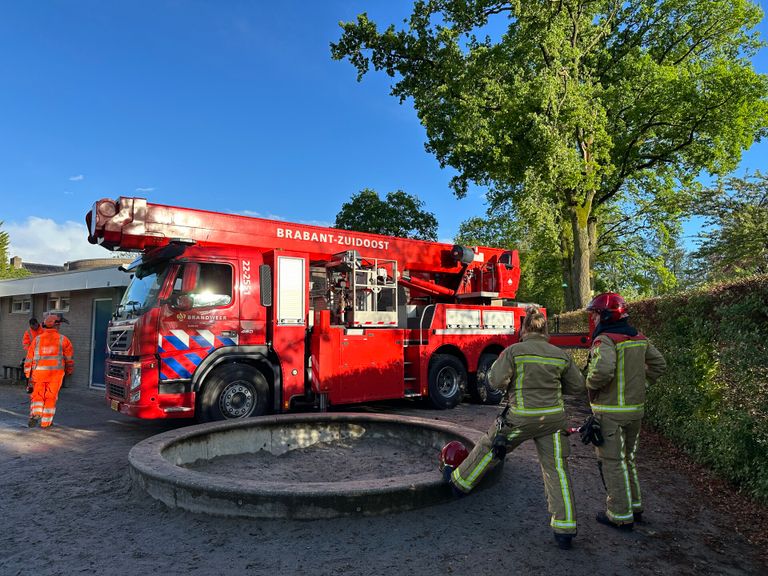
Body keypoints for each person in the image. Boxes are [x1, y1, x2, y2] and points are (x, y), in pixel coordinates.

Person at [448, 306, 586, 550]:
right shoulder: (559, 355)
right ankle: (565, 529)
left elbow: (494, 380)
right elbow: (577, 386)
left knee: (490, 447)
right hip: (553, 420)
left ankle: (459, 483)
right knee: (557, 470)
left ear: (524, 329)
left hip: (520, 418)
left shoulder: (514, 351)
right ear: (545, 330)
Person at [585, 292, 666, 531]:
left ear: (606, 315)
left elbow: (602, 371)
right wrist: (642, 385)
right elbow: (659, 364)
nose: (594, 319)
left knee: (612, 462)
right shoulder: (639, 337)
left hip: (610, 412)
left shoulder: (606, 340)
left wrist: (588, 384)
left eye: (596, 314)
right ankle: (635, 506)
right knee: (628, 459)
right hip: (635, 411)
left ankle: (619, 516)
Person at [24, 313, 74, 429]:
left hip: (38, 374)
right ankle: (46, 423)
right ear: (56, 326)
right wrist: (69, 370)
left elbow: (29, 359)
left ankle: (36, 413)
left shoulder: (37, 340)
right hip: (55, 376)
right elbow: (69, 359)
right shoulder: (64, 340)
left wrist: (27, 374)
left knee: (38, 395)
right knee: (50, 397)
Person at [21, 317, 44, 393]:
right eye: (32, 327)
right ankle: (30, 387)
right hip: (32, 355)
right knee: (29, 372)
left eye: (34, 326)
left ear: (37, 324)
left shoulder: (43, 329)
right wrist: (30, 351)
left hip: (43, 355)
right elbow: (25, 343)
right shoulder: (28, 332)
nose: (33, 328)